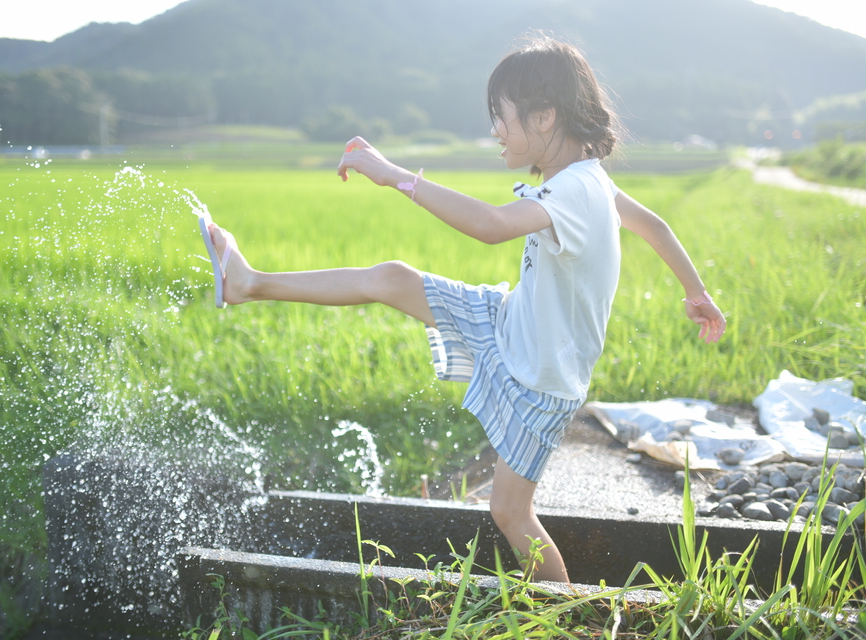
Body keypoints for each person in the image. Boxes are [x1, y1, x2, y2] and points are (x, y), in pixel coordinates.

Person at [198, 37, 725, 584]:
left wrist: (395, 175)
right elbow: (656, 227)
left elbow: (491, 227)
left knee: (511, 514)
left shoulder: (576, 190)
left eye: (501, 116)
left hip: (540, 379)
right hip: (508, 322)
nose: (495, 129)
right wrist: (696, 292)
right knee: (392, 278)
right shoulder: (588, 181)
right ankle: (248, 283)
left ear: (544, 117)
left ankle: (568, 610)